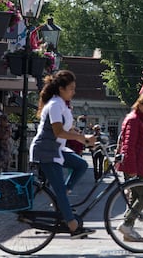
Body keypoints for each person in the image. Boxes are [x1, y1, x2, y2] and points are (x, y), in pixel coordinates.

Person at [29, 70, 96, 239]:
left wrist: (84, 136)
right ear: (61, 89)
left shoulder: (62, 104)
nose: (73, 92)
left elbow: (67, 128)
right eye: (71, 89)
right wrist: (82, 139)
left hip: (56, 149)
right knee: (58, 189)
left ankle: (64, 195)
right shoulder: (54, 105)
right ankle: (73, 225)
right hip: (46, 151)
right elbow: (58, 131)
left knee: (81, 165)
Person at [116, 93, 143, 242]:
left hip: (138, 164)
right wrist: (132, 168)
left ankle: (128, 231)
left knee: (136, 196)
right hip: (134, 165)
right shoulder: (134, 120)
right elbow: (128, 145)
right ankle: (127, 224)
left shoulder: (139, 119)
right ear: (140, 105)